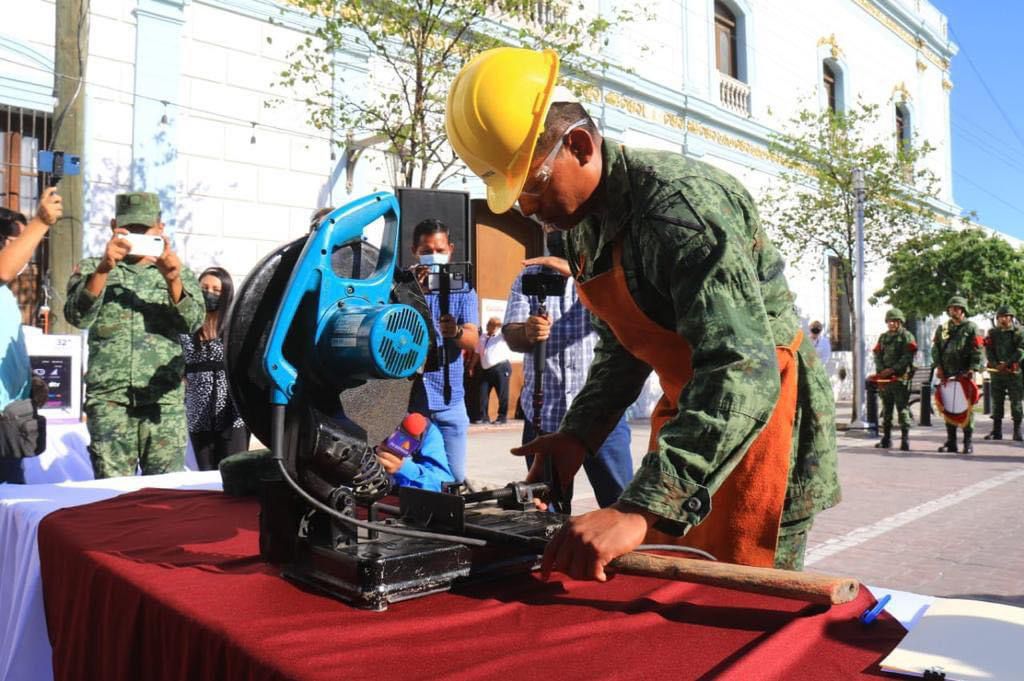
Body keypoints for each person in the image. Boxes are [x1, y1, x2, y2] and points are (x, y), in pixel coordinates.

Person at [446, 47, 839, 576]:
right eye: (515, 195)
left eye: (532, 185)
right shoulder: (585, 224)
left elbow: (741, 367)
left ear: (581, 146)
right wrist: (577, 435)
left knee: (747, 595)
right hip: (696, 415)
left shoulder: (682, 209)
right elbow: (623, 348)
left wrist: (639, 507)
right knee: (679, 582)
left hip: (764, 416)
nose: (527, 209)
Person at [65, 192, 204, 478]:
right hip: (109, 400)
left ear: (160, 228)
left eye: (145, 230)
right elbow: (77, 317)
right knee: (112, 494)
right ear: (114, 225)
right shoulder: (93, 267)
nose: (137, 236)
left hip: (162, 403)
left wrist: (173, 279)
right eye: (130, 230)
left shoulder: (178, 271)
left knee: (165, 493)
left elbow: (192, 323)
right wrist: (104, 269)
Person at [503, 231, 634, 509]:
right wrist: (527, 331)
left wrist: (579, 276)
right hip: (545, 418)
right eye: (549, 225)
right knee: (546, 512)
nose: (556, 231)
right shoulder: (529, 275)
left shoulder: (604, 270)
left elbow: (625, 323)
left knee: (620, 506)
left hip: (603, 417)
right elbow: (512, 336)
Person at [407, 218, 479, 483]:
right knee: (405, 472)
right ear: (414, 251)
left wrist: (456, 332)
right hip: (409, 401)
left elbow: (473, 339)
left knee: (455, 477)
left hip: (449, 400)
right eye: (426, 251)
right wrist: (411, 289)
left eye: (439, 250)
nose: (433, 256)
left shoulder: (462, 291)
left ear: (450, 250)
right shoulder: (401, 287)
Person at [0, 190, 62, 483]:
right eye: (17, 241)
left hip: (12, 416)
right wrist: (41, 221)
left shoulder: (5, 294)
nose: (26, 250)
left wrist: (28, 383)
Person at [179, 267, 249, 470]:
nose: (209, 293)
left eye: (216, 289)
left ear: (226, 293)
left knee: (233, 469)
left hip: (230, 412)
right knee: (204, 472)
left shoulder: (236, 325)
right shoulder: (187, 325)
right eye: (204, 287)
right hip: (197, 412)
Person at [931, 295, 983, 454]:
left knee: (965, 408)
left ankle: (968, 442)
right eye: (952, 308)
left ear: (963, 310)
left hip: (964, 373)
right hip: (947, 374)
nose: (954, 310)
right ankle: (951, 441)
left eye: (957, 308)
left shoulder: (971, 327)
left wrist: (973, 368)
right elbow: (936, 349)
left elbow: (977, 350)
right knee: (949, 407)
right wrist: (939, 367)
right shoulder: (943, 328)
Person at [870, 309, 917, 451]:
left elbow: (907, 356)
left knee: (902, 409)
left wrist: (892, 370)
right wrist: (882, 370)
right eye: (889, 321)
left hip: (900, 378)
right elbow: (877, 354)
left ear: (900, 322)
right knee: (887, 409)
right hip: (885, 380)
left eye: (894, 321)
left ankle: (905, 439)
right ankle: (887, 438)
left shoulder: (906, 336)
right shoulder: (883, 337)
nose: (891, 324)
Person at [374, 414, 454, 492]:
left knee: (459, 475)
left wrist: (402, 467)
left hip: (400, 497)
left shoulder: (424, 430)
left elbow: (443, 485)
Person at [983, 304, 1024, 442]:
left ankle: (1017, 431)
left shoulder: (1019, 332)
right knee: (997, 401)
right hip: (997, 373)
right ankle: (996, 430)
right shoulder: (993, 333)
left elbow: (1021, 351)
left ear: (1011, 318)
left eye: (1005, 316)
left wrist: (1006, 364)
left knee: (1016, 401)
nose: (1002, 319)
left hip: (1013, 373)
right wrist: (995, 364)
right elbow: (988, 350)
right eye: (1000, 317)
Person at [473, 317, 513, 424]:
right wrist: (471, 366)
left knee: (502, 394)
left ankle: (502, 417)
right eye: (488, 324)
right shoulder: (482, 337)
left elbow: (505, 327)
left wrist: (498, 323)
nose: (489, 326)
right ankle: (484, 417)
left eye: (491, 324)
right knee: (483, 393)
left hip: (501, 367)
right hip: (486, 370)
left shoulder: (501, 336)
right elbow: (477, 353)